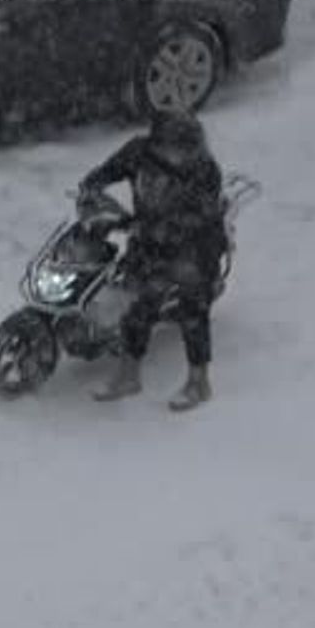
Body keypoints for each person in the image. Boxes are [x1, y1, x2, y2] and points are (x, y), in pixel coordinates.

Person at [78, 109, 228, 411]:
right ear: (158, 146)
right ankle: (128, 375)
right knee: (136, 305)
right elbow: (107, 172)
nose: (187, 155)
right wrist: (92, 189)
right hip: (148, 242)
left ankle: (199, 382)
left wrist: (159, 229)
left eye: (191, 148)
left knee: (192, 310)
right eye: (180, 148)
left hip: (196, 246)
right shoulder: (138, 152)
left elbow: (201, 218)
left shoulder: (206, 170)